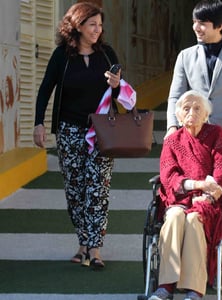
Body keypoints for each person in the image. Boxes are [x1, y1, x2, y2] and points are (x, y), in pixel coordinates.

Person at [33, 2, 122, 270]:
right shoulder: (62, 55)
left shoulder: (107, 54)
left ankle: (94, 250)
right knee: (76, 190)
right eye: (92, 24)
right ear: (78, 26)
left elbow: (121, 96)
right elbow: (45, 89)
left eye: (100, 24)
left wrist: (117, 86)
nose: (98, 29)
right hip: (69, 130)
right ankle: (82, 243)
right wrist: (39, 123)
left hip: (102, 131)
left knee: (97, 189)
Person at [149, 90, 222, 300]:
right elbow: (168, 176)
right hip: (180, 197)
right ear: (178, 115)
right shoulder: (172, 140)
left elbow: (221, 166)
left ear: (205, 115)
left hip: (208, 199)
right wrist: (196, 185)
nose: (191, 113)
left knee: (195, 219)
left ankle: (194, 290)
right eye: (186, 108)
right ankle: (166, 286)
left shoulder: (215, 134)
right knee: (175, 217)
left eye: (197, 108)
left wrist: (209, 189)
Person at [165, 0, 222, 177]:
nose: (196, 27)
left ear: (220, 26)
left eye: (202, 23)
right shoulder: (185, 56)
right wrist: (172, 126)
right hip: (191, 137)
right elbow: (175, 97)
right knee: (191, 194)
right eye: (194, 22)